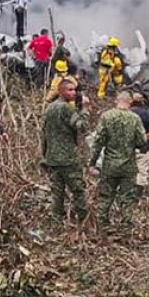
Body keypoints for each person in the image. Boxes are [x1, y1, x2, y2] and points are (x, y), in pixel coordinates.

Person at [88, 92, 148, 229]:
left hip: (110, 164)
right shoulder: (135, 118)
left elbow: (98, 142)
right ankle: (126, 226)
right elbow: (142, 141)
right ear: (130, 103)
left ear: (116, 100)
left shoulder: (106, 116)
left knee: (106, 195)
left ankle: (102, 224)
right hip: (128, 165)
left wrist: (92, 162)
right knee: (127, 197)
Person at [42, 80, 89, 220]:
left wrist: (44, 155)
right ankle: (82, 219)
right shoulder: (66, 108)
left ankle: (55, 219)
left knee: (57, 192)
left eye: (74, 90)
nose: (74, 93)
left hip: (52, 158)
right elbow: (82, 127)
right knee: (78, 190)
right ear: (61, 91)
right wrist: (85, 109)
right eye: (70, 90)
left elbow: (44, 134)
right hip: (68, 158)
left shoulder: (49, 108)